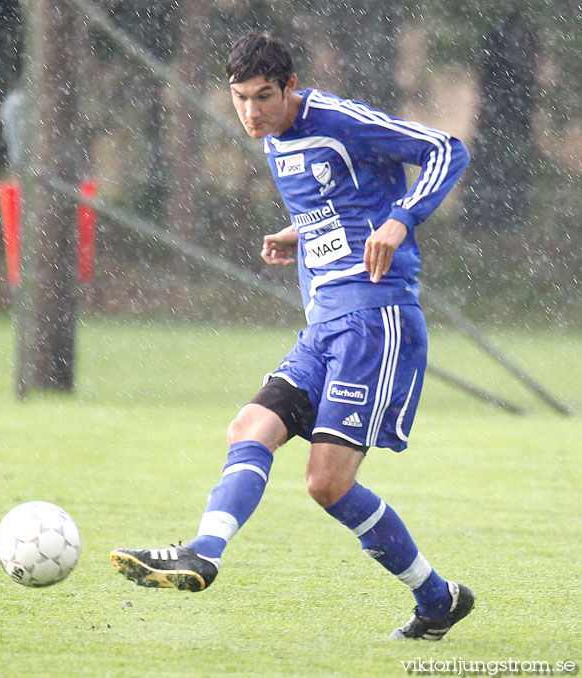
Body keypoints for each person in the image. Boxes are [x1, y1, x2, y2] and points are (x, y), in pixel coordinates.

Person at [111, 32, 474, 640]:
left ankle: (437, 600)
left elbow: (445, 149)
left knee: (327, 484)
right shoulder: (275, 138)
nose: (251, 112)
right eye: (239, 99)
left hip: (375, 320)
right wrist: (299, 233)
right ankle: (203, 551)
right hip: (324, 324)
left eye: (263, 97)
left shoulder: (334, 120)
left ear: (290, 88)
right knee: (249, 429)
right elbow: (342, 199)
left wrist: (400, 219)